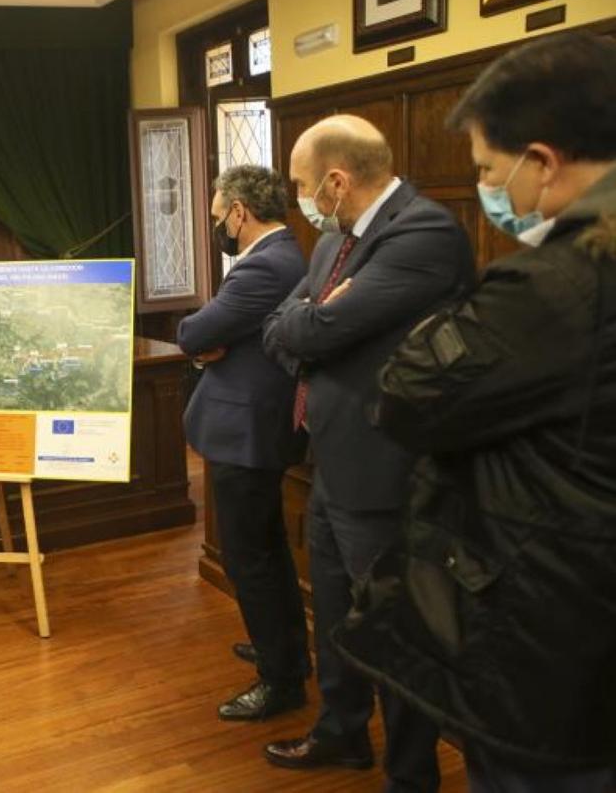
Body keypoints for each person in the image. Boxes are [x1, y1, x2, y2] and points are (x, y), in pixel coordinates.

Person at [334, 31, 616, 793]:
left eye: (490, 170)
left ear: (544, 162)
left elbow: (408, 396)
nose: (491, 191)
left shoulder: (559, 284)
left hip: (552, 622)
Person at [261, 115, 475, 790]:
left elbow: (317, 328)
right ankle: (341, 731)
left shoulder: (424, 234)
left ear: (335, 180)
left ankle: (411, 777)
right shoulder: (335, 242)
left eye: (300, 186)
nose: (298, 198)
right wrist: (313, 321)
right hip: (331, 460)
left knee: (395, 630)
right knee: (332, 612)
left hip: (388, 471)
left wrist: (313, 322)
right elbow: (283, 325)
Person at [176, 164, 310, 722]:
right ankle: (283, 649)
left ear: (239, 212)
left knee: (249, 558)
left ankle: (279, 681)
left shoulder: (264, 266)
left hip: (247, 434)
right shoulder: (287, 257)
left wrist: (208, 343)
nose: (217, 228)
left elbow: (193, 333)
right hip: (252, 427)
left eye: (217, 218)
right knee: (267, 549)